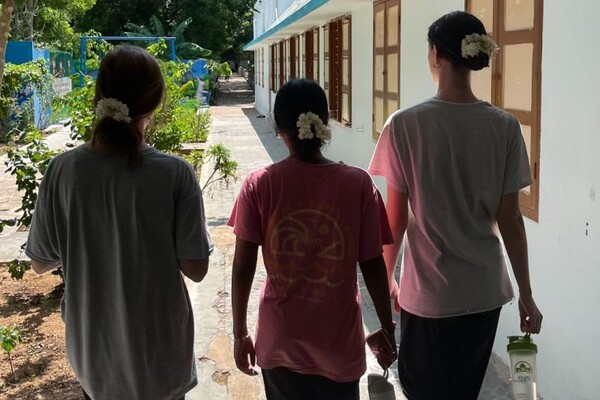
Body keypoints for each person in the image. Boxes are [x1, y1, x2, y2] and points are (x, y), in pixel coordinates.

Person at [368, 11, 543, 400]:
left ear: (436, 55)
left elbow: (393, 222)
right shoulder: (504, 126)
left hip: (428, 295)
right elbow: (510, 219)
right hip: (483, 293)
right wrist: (526, 294)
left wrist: (386, 283)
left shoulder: (404, 125)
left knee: (420, 389)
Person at [25, 45, 213, 400]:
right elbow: (196, 268)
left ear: (100, 97)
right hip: (161, 357)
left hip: (95, 360)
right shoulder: (174, 174)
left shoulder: (62, 171)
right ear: (154, 103)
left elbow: (39, 261)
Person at [228, 78, 396, 400]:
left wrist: (240, 334)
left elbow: (242, 267)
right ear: (325, 122)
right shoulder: (358, 185)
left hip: (280, 341)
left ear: (280, 129)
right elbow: (372, 263)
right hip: (337, 344)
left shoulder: (259, 185)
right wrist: (387, 328)